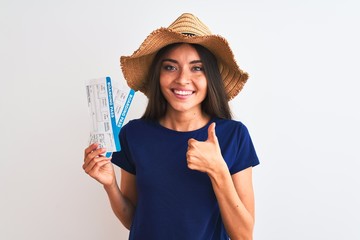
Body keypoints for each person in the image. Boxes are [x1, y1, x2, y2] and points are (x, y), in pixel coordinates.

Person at [83, 13, 260, 240]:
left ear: (210, 78)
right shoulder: (134, 134)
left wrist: (218, 171)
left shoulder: (234, 135)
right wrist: (110, 185)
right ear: (158, 75)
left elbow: (244, 236)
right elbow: (133, 219)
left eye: (197, 68)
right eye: (170, 67)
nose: (183, 79)